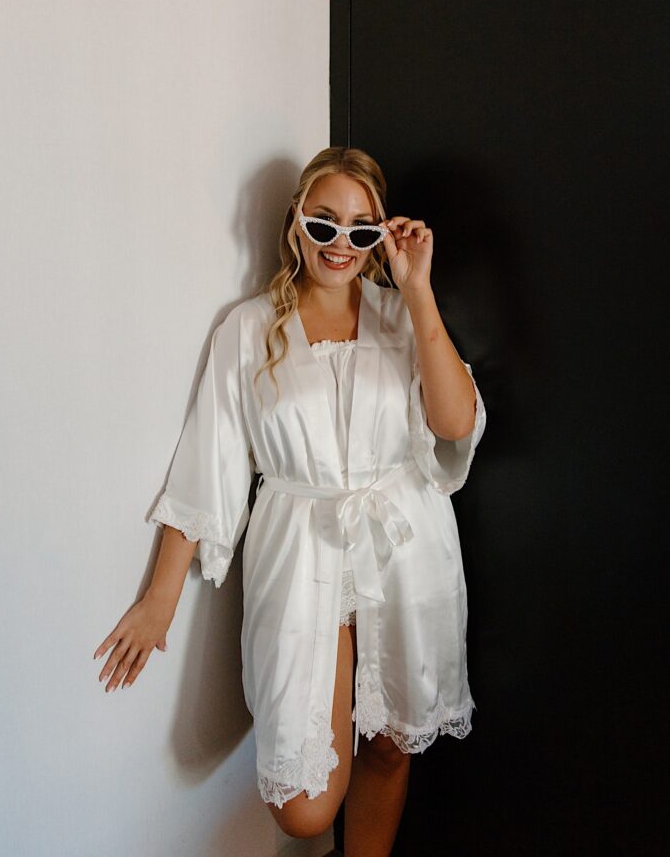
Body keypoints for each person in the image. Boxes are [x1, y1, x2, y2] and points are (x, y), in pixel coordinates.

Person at [93, 147, 487, 855]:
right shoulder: (248, 330)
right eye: (324, 222)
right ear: (296, 222)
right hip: (301, 552)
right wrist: (160, 599)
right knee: (302, 809)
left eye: (362, 230)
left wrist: (418, 289)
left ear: (380, 241)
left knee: (394, 744)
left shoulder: (401, 317)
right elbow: (206, 464)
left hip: (405, 545)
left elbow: (455, 424)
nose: (341, 243)